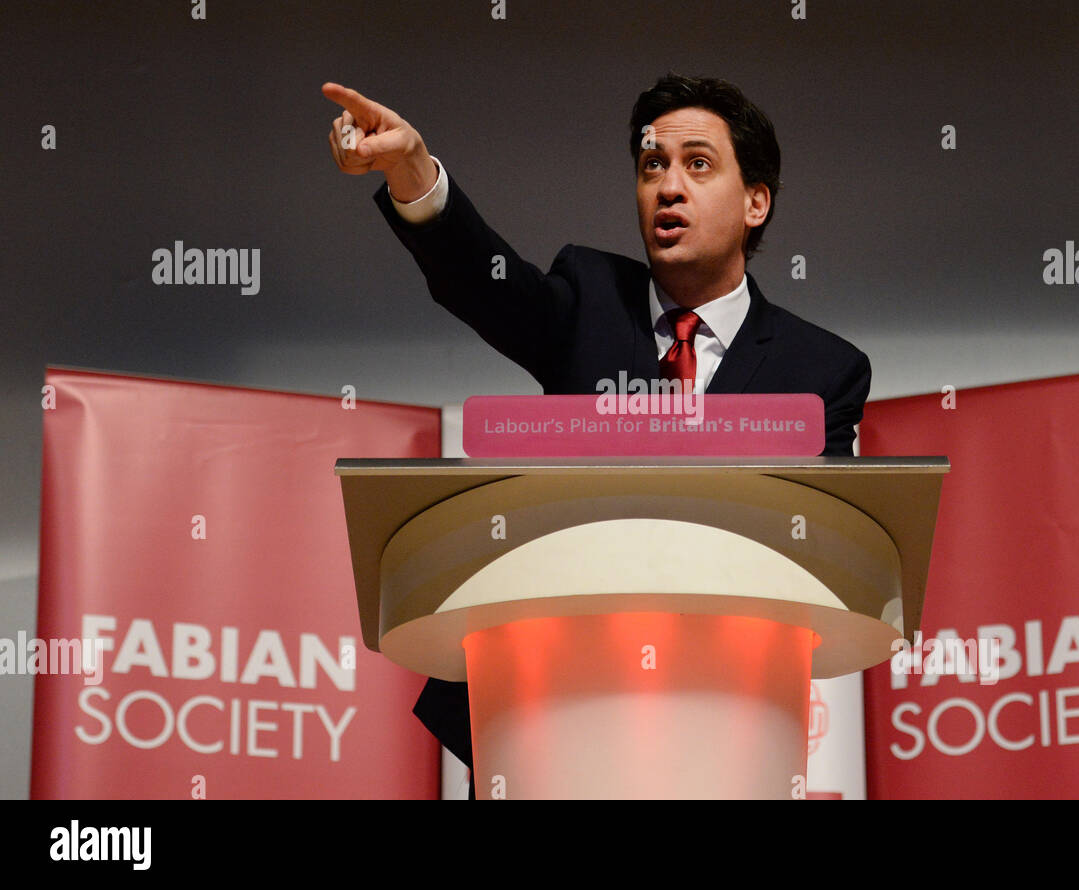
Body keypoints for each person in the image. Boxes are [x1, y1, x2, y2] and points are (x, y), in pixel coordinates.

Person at [323, 73, 872, 797]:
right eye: (652, 166)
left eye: (697, 164)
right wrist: (410, 169)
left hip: (726, 720)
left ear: (755, 202)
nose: (667, 187)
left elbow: (824, 560)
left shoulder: (822, 370)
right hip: (549, 713)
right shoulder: (587, 298)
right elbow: (484, 284)